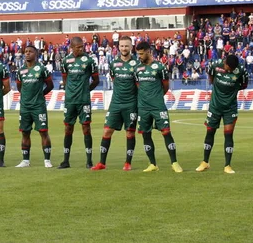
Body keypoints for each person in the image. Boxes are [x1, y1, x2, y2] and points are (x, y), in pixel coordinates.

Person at [134, 42, 183, 173]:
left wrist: (156, 97)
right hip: (143, 108)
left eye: (141, 53)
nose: (139, 56)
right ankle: (152, 164)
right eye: (138, 54)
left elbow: (165, 86)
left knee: (166, 132)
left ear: (149, 51)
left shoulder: (160, 67)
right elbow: (138, 85)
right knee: (145, 134)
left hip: (158, 106)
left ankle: (174, 162)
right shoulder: (137, 68)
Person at [91, 36, 138, 171]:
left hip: (131, 104)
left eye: (126, 46)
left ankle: (128, 163)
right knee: (107, 131)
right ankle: (101, 163)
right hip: (116, 103)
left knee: (129, 133)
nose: (124, 48)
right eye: (122, 46)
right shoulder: (113, 64)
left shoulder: (137, 65)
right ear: (118, 47)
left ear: (131, 47)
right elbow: (114, 79)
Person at [196, 54, 248, 174]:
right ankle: (205, 162)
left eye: (230, 69)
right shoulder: (215, 65)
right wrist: (213, 81)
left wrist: (231, 89)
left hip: (230, 108)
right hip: (215, 106)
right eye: (227, 67)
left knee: (228, 135)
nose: (228, 70)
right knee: (210, 132)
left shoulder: (241, 71)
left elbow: (243, 85)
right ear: (224, 63)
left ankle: (227, 165)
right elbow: (209, 73)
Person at [59, 36, 100, 169]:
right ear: (72, 47)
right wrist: (70, 91)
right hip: (70, 101)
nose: (81, 49)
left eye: (82, 46)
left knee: (86, 128)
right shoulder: (65, 61)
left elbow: (96, 80)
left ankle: (89, 161)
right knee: (68, 129)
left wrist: (86, 91)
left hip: (84, 101)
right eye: (78, 47)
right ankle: (66, 161)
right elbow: (65, 80)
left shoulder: (89, 61)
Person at [15, 45, 54, 168]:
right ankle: (25, 160)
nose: (27, 54)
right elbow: (19, 87)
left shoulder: (42, 69)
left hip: (38, 106)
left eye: (30, 52)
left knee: (43, 132)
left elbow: (50, 85)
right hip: (25, 107)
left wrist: (40, 95)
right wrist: (27, 97)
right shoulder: (21, 70)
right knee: (25, 133)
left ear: (35, 54)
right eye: (25, 52)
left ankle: (47, 160)